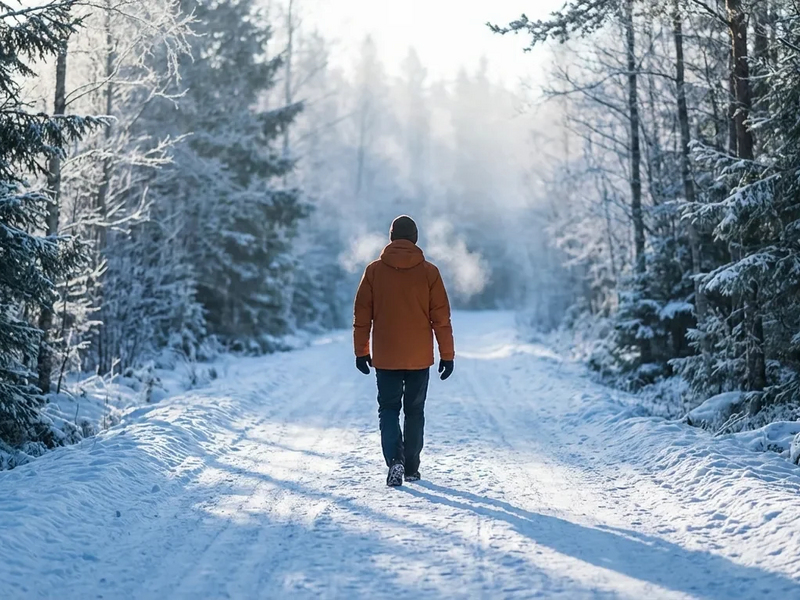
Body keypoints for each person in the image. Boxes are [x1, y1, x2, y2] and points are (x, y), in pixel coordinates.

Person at [353, 215, 455, 487]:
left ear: (391, 238)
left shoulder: (374, 271)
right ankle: (410, 467)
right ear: (415, 239)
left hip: (386, 356)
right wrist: (447, 355)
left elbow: (362, 315)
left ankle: (394, 461)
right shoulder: (430, 273)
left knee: (387, 409)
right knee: (414, 411)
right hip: (418, 357)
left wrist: (361, 350)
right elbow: (441, 319)